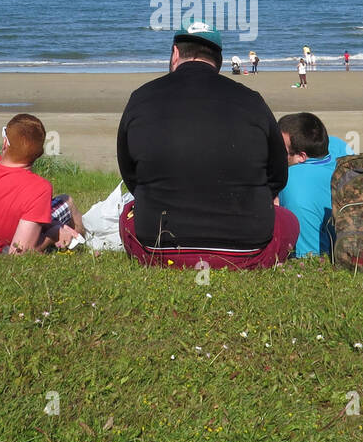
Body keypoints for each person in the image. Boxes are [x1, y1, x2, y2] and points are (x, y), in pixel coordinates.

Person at [116, 22, 297, 269]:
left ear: (175, 53)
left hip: (158, 246)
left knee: (128, 213)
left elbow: (131, 175)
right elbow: (277, 176)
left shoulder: (141, 98)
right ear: (219, 61)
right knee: (288, 221)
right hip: (245, 249)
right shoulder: (252, 101)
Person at [0, 113, 83, 254]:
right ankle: (81, 242)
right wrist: (52, 235)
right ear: (39, 153)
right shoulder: (38, 188)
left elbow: (3, 166)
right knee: (66, 201)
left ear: (6, 143)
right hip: (5, 247)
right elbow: (19, 252)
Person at [277, 113, 350, 258]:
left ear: (301, 157)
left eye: (280, 148)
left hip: (324, 253)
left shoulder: (293, 185)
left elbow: (309, 258)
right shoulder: (338, 146)